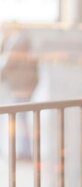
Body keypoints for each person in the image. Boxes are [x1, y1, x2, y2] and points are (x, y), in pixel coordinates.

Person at [0, 23, 39, 159]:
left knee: (19, 119)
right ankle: (24, 150)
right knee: (21, 119)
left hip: (19, 88)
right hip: (23, 87)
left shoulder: (17, 42)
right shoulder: (22, 41)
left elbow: (8, 63)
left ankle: (24, 151)